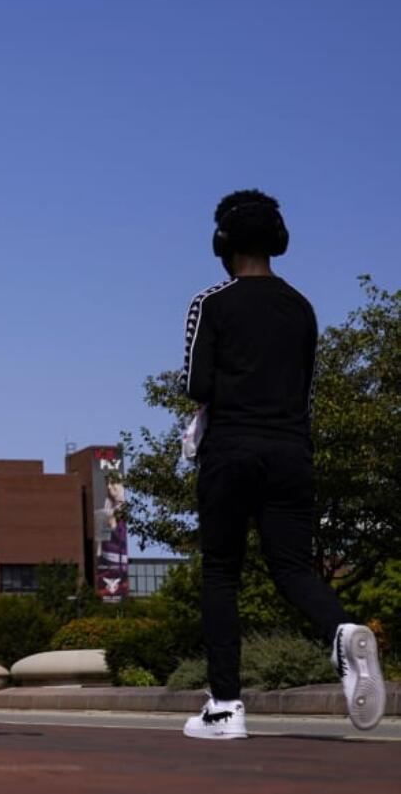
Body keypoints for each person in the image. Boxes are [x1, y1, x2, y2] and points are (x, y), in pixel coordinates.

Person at [180, 189, 385, 739]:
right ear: (279, 242)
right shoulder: (302, 307)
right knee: (292, 567)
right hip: (292, 451)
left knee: (222, 571)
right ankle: (341, 631)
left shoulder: (212, 303)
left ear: (221, 242)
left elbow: (195, 385)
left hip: (231, 450)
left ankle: (225, 707)